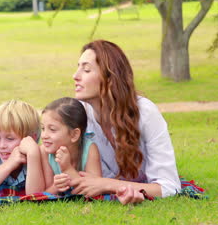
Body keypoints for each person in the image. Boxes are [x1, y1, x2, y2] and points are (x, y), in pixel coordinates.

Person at [70, 39, 181, 204]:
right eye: (78, 67)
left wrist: (106, 184)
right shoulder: (79, 115)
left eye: (86, 70)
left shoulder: (145, 113)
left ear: (110, 78)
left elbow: (169, 187)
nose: (75, 76)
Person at [19, 97, 102, 194]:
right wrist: (56, 187)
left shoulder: (90, 149)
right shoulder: (45, 152)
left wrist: (67, 169)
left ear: (74, 135)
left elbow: (95, 189)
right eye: (43, 128)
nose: (44, 135)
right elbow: (39, 195)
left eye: (52, 129)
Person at [0, 100, 44, 196]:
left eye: (10, 139)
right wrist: (9, 164)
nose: (2, 146)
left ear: (31, 138)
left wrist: (32, 155)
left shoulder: (39, 155)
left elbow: (35, 195)